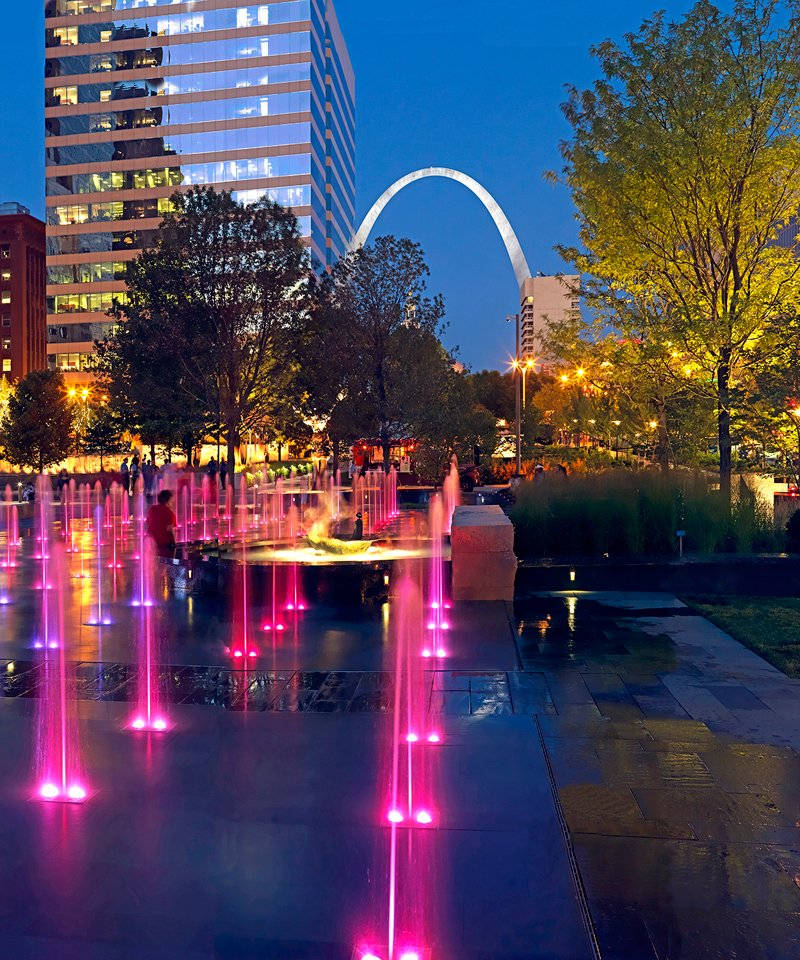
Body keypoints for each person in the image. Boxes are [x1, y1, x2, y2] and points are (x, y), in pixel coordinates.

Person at [147, 489, 177, 559]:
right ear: (168, 500)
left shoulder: (152, 509)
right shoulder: (169, 513)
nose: (173, 502)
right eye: (172, 499)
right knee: (167, 564)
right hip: (164, 544)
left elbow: (148, 523)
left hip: (151, 542)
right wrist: (174, 545)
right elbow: (170, 530)